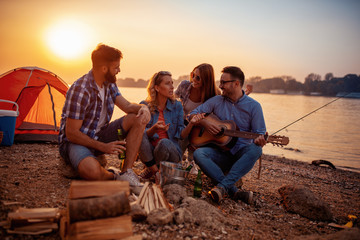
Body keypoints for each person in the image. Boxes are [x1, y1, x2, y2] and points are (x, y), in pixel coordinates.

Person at [58, 44, 151, 193]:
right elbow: (72, 133)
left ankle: (127, 172)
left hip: (100, 134)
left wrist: (143, 107)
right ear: (103, 69)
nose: (119, 70)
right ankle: (114, 177)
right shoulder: (80, 89)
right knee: (91, 171)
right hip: (77, 141)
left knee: (137, 118)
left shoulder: (109, 84)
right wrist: (103, 147)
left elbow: (127, 106)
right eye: (116, 67)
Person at [190, 66, 267, 204]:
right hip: (219, 154)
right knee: (199, 154)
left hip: (240, 157)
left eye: (223, 82)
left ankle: (223, 187)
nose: (220, 86)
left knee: (256, 149)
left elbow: (259, 133)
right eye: (220, 82)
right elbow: (192, 114)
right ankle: (233, 191)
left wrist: (260, 140)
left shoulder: (254, 106)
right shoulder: (217, 101)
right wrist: (205, 124)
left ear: (236, 84)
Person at [138, 71, 204, 180]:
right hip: (151, 152)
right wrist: (154, 129)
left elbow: (182, 136)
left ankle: (151, 169)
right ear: (157, 88)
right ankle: (157, 172)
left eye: (172, 83)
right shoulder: (145, 105)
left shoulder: (177, 106)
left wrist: (191, 123)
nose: (172, 87)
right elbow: (143, 138)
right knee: (139, 133)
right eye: (167, 83)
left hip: (172, 152)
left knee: (164, 142)